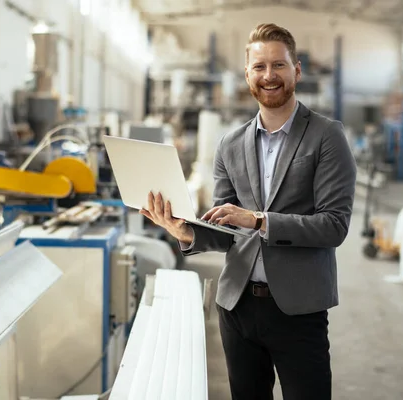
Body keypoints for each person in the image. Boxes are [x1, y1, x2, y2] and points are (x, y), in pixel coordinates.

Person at [140, 23, 357, 400]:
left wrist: (259, 219)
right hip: (237, 307)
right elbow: (227, 229)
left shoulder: (327, 135)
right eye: (259, 67)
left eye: (279, 65)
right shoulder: (230, 144)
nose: (269, 75)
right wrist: (184, 231)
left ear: (297, 70)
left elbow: (334, 226)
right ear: (247, 75)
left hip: (298, 309)